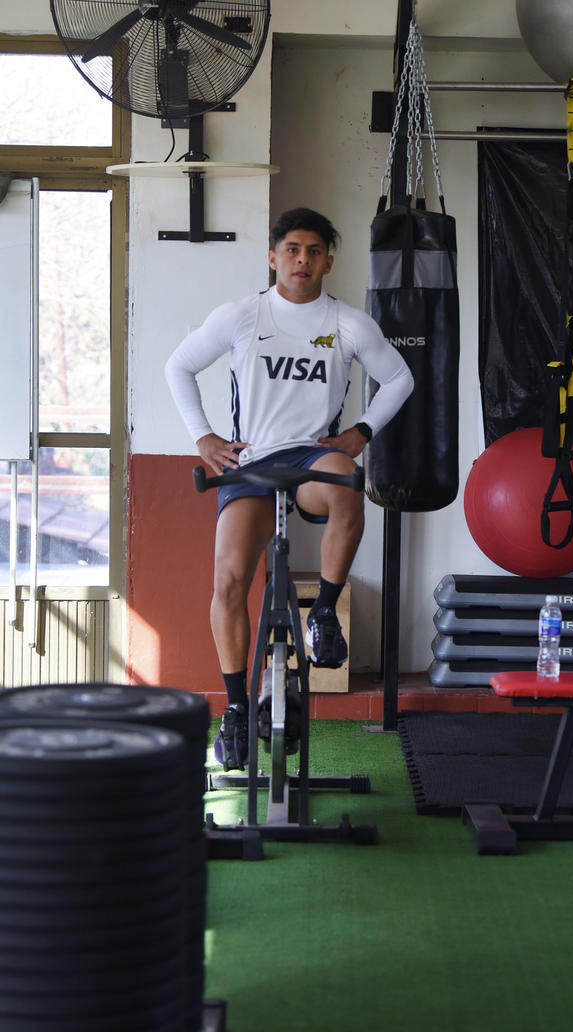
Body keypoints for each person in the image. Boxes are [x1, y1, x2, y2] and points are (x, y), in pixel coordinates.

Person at [165, 207, 413, 770]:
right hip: (251, 459)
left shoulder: (348, 323)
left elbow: (400, 377)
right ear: (273, 255)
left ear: (329, 259)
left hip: (310, 455)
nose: (303, 260)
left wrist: (360, 432)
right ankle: (234, 709)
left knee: (349, 483)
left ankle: (322, 613)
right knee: (228, 580)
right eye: (293, 250)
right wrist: (203, 437)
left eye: (315, 251)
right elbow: (178, 367)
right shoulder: (240, 316)